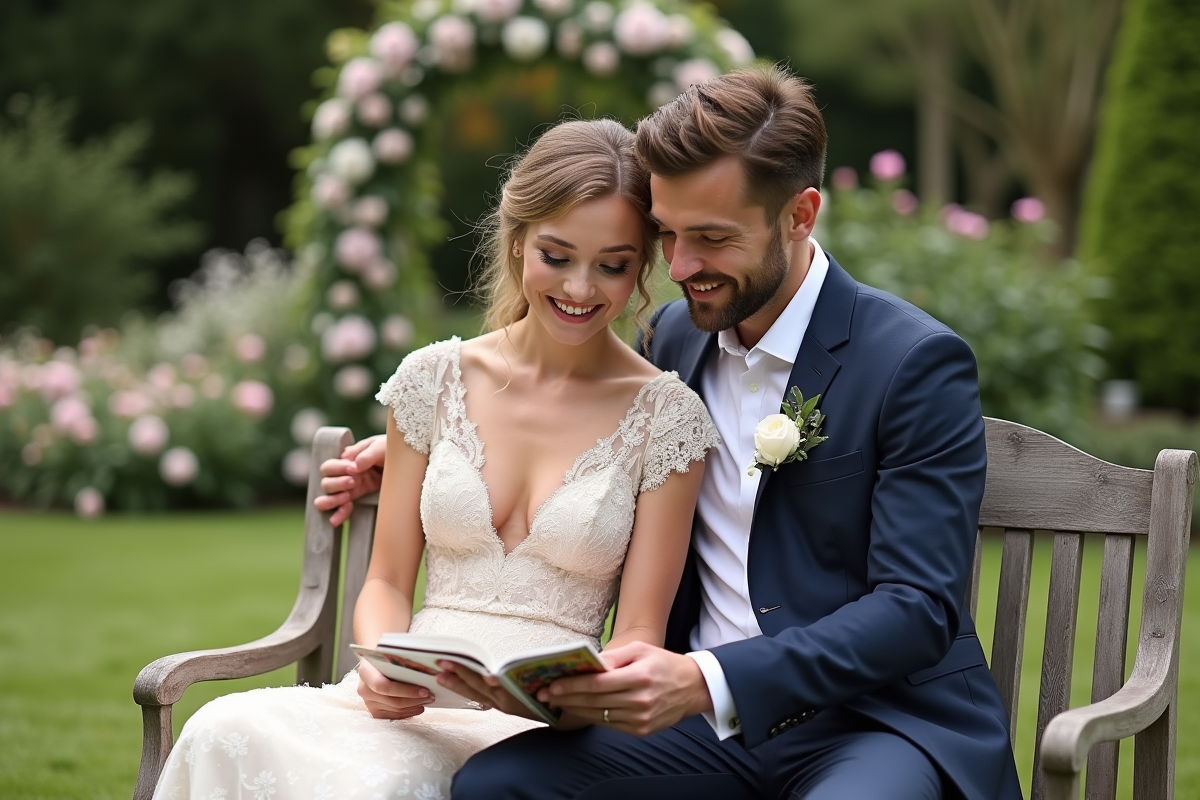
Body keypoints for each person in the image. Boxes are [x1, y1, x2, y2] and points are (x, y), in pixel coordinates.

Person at [319, 66, 1023, 800]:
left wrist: (703, 678)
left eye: (712, 238)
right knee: (502, 786)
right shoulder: (679, 336)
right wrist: (421, 455)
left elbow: (917, 608)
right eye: (669, 234)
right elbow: (589, 425)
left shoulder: (911, 362)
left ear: (800, 214)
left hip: (875, 725)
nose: (682, 268)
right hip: (702, 737)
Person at [151, 118, 720, 800]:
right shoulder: (433, 379)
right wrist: (381, 664)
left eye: (613, 265)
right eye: (557, 255)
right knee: (222, 725)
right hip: (407, 699)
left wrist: (572, 702)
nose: (580, 288)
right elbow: (388, 581)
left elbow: (637, 632)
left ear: (643, 266)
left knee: (382, 785)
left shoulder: (667, 417)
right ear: (518, 241)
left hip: (544, 728)